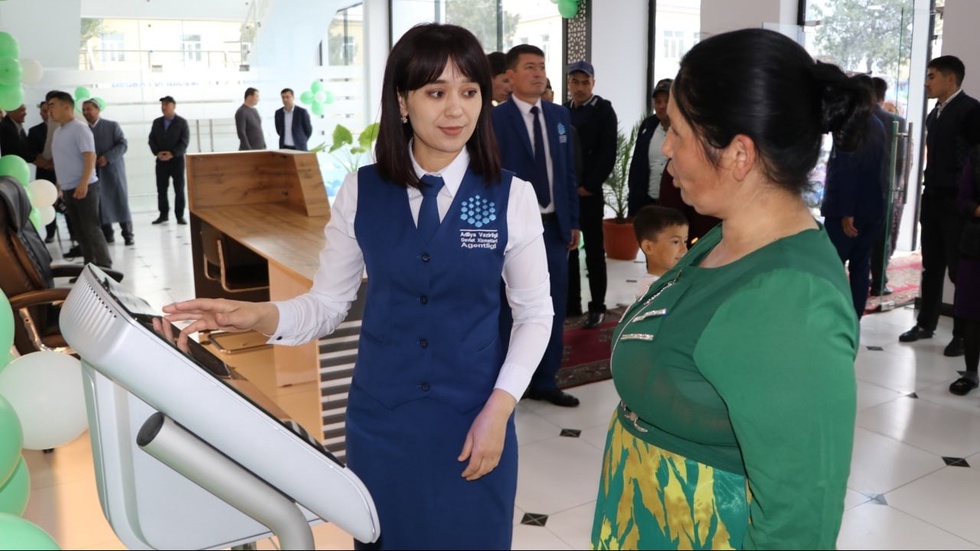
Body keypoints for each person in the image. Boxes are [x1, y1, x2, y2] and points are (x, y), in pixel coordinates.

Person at [163, 23, 552, 550]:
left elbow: (535, 314)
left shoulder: (511, 196)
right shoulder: (361, 190)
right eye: (435, 92)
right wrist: (257, 316)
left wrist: (500, 409)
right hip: (382, 423)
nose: (455, 110)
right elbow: (328, 304)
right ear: (402, 101)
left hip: (476, 417)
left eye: (469, 92)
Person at [591, 28, 859, 549]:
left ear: (739, 153)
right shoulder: (724, 237)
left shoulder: (791, 299)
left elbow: (798, 524)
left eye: (677, 131)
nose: (666, 148)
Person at [493, 44, 581, 408]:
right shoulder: (494, 119)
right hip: (512, 231)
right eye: (530, 67)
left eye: (542, 66)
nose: (538, 73)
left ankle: (546, 380)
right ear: (510, 76)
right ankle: (509, 383)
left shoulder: (559, 115)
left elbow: (567, 172)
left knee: (551, 306)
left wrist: (572, 221)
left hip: (554, 227)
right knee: (509, 308)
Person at [899, 55, 980, 357]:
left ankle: (961, 335)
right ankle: (925, 324)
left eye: (931, 76)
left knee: (959, 272)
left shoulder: (970, 111)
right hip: (933, 198)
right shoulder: (935, 113)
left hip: (957, 204)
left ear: (950, 79)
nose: (926, 83)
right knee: (931, 265)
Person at [821, 74, 885, 318]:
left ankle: (831, 317)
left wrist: (847, 212)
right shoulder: (877, 124)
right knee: (860, 266)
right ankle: (854, 317)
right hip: (871, 208)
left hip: (846, 212)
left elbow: (849, 170)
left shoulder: (852, 125)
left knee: (832, 265)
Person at [565, 60, 617, 329]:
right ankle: (571, 305)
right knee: (570, 250)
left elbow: (608, 153)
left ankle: (597, 306)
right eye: (575, 82)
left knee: (595, 251)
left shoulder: (603, 110)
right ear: (568, 83)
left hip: (589, 193)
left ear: (593, 83)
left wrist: (590, 185)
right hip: (567, 194)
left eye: (585, 82)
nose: (580, 87)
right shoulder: (562, 112)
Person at [48, 91, 113, 269]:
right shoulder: (58, 132)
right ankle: (90, 268)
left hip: (85, 187)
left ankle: (105, 269)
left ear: (66, 107)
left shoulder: (80, 128)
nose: (50, 110)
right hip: (68, 188)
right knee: (80, 233)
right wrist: (59, 187)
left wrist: (83, 183)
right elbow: (62, 162)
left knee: (91, 229)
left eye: (53, 106)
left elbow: (90, 156)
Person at [869, 76, 909, 297]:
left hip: (860, 187)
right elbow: (900, 160)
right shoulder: (896, 122)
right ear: (883, 96)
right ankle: (878, 282)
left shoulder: (857, 118)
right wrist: (897, 185)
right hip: (885, 186)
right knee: (881, 238)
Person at [81, 99, 134, 247]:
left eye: (89, 109)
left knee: (120, 202)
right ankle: (108, 234)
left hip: (113, 171)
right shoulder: (83, 130)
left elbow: (123, 144)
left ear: (97, 110)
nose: (86, 112)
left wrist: (108, 157)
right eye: (84, 110)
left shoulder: (112, 126)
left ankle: (128, 235)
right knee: (100, 204)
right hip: (94, 173)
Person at [951, 149, 980, 396]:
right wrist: (977, 209)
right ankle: (971, 372)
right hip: (975, 244)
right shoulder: (976, 155)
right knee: (971, 311)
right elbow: (962, 199)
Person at [627, 78, 672, 217]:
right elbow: (636, 165)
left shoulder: (686, 131)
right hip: (646, 204)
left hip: (673, 206)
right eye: (658, 102)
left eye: (667, 101)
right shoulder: (648, 126)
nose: (662, 106)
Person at [148, 95, 191, 225]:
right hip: (161, 161)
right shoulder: (157, 122)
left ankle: (180, 216)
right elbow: (151, 140)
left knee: (179, 189)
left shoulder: (182, 122)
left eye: (166, 104)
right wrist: (157, 153)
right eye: (162, 105)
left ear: (174, 106)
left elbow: (184, 142)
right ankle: (163, 214)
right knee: (161, 189)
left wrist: (173, 154)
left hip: (177, 161)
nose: (164, 107)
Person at [631, 204, 688, 300]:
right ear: (648, 247)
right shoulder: (653, 290)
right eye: (675, 242)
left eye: (685, 241)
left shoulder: (671, 282)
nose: (684, 249)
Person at [28, 100, 65, 244]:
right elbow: (30, 153)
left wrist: (58, 163)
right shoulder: (34, 131)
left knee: (66, 202)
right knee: (47, 202)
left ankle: (74, 234)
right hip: (44, 173)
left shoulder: (63, 127)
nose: (48, 114)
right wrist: (45, 163)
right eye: (44, 111)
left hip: (63, 172)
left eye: (50, 111)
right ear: (40, 113)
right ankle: (50, 233)